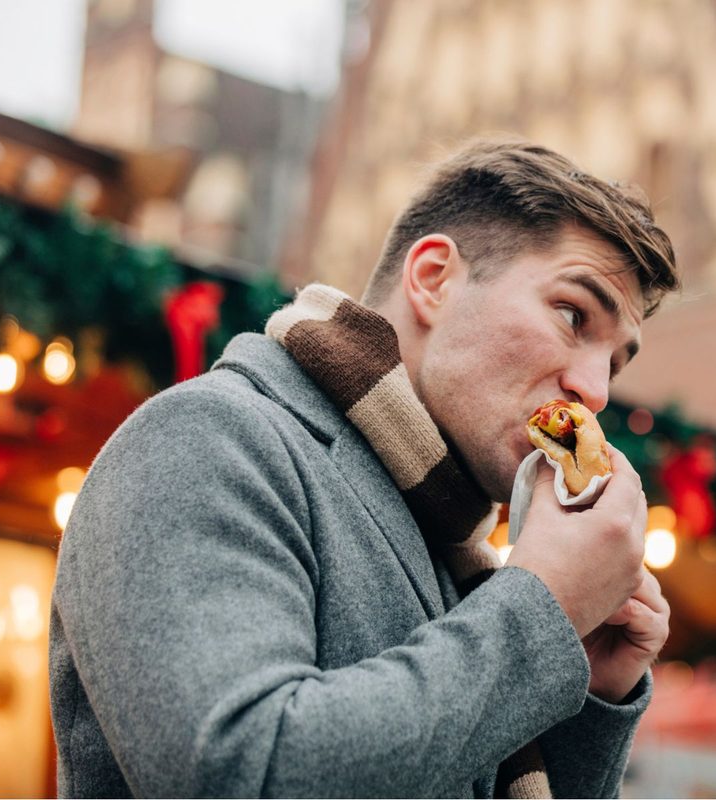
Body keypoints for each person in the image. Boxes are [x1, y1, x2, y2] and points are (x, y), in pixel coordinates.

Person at [49, 137, 680, 798]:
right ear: (434, 279)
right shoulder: (206, 436)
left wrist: (585, 688)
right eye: (572, 315)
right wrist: (540, 608)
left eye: (613, 361)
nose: (596, 390)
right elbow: (239, 776)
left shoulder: (463, 557)